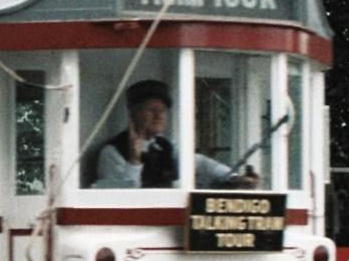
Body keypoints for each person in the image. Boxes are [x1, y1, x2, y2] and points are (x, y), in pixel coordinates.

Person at [92, 80, 260, 188]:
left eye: (162, 110)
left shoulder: (166, 147)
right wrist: (134, 161)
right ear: (133, 114)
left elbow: (201, 164)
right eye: (152, 110)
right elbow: (120, 198)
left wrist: (235, 178)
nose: (159, 116)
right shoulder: (111, 152)